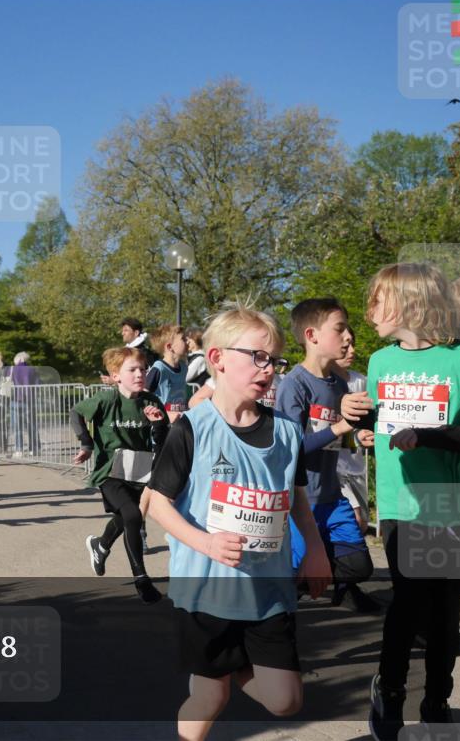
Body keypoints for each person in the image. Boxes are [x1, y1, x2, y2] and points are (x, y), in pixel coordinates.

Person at [146, 302, 331, 741]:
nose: (268, 369)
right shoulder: (191, 428)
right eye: (258, 357)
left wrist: (317, 548)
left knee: (287, 700)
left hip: (268, 589)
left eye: (275, 361)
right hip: (207, 591)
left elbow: (297, 498)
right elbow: (155, 504)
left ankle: (232, 662)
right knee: (211, 698)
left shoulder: (287, 432)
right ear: (217, 359)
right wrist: (205, 543)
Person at [340, 262, 460, 738]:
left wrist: (429, 437)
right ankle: (391, 692)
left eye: (377, 301)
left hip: (449, 502)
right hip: (397, 502)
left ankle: (436, 700)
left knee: (445, 611)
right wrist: (358, 420)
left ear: (410, 302)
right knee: (410, 601)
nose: (368, 312)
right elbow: (381, 422)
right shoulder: (379, 362)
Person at [275, 298, 376, 612]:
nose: (348, 337)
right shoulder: (294, 385)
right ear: (312, 335)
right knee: (285, 589)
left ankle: (312, 579)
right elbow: (292, 449)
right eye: (340, 329)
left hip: (333, 497)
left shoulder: (339, 384)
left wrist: (357, 435)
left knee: (360, 567)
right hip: (300, 501)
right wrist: (341, 427)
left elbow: (336, 441)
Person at [72, 346, 169, 603]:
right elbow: (76, 413)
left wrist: (158, 423)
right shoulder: (106, 400)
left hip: (139, 471)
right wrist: (86, 444)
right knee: (132, 515)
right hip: (110, 472)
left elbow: (164, 439)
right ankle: (142, 580)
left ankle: (100, 545)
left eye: (143, 369)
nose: (140, 374)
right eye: (132, 370)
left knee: (124, 516)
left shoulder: (151, 401)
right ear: (116, 376)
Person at [331, 327, 372, 535]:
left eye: (353, 344)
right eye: (346, 346)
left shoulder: (361, 381)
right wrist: (354, 437)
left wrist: (366, 435)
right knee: (353, 519)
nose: (352, 351)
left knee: (362, 524)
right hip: (333, 468)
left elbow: (367, 423)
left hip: (356, 466)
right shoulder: (318, 383)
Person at [146, 324, 190, 423]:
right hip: (163, 420)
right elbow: (144, 393)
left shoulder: (184, 367)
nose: (188, 341)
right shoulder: (159, 368)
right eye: (183, 339)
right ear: (170, 347)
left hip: (181, 416)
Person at [10, 352, 41, 457]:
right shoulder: (32, 369)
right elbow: (38, 384)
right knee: (32, 425)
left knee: (17, 426)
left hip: (15, 400)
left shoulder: (12, 369)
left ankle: (19, 450)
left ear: (17, 360)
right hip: (29, 401)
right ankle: (34, 449)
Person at [185, 328, 208, 397]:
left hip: (197, 398)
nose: (187, 342)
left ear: (196, 340)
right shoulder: (191, 357)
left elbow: (185, 377)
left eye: (189, 339)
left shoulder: (200, 359)